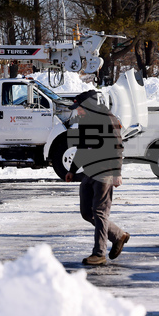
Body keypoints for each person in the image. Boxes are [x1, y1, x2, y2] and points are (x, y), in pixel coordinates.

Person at [64, 89, 131, 265]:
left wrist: (117, 173)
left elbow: (118, 147)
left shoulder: (108, 119)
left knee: (100, 212)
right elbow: (82, 147)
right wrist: (72, 169)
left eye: (79, 108)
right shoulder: (85, 121)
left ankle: (99, 253)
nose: (77, 111)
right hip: (89, 171)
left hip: (105, 170)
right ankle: (118, 235)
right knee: (87, 212)